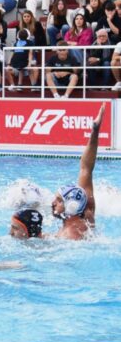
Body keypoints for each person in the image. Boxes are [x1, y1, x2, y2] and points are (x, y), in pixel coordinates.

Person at [52, 103, 106, 240]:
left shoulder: (71, 235)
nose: (53, 203)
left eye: (59, 200)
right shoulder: (87, 214)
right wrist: (95, 131)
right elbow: (86, 168)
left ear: (71, 206)